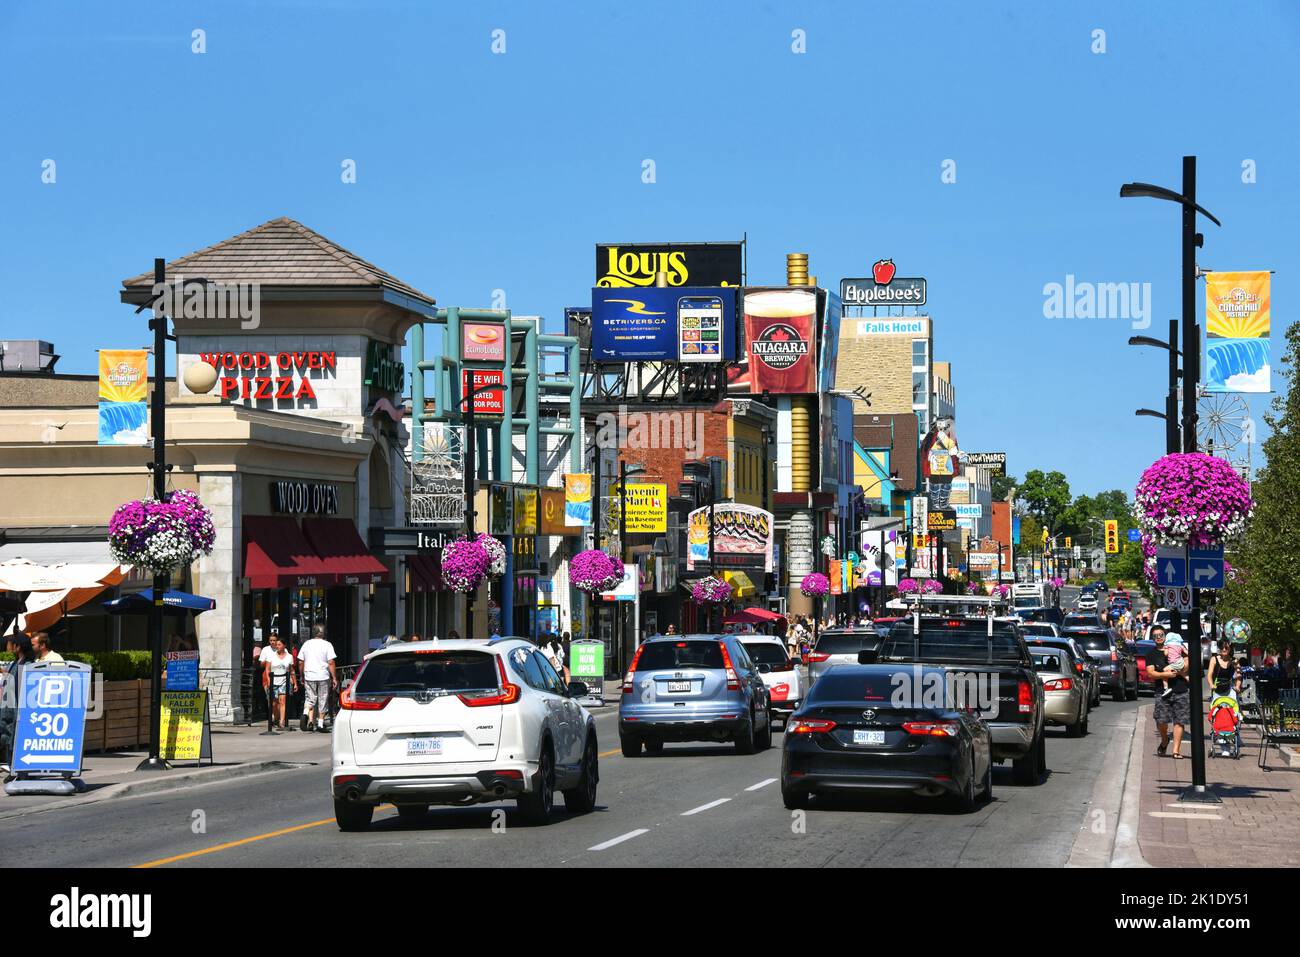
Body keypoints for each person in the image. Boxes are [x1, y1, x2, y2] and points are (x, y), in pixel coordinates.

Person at [1146, 626, 1191, 758]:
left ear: (1165, 635)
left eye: (1161, 634)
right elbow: (1150, 673)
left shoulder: (1177, 647)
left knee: (1179, 720)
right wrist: (1165, 674)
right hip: (1162, 691)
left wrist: (1179, 669)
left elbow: (1188, 660)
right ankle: (1165, 739)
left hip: (1181, 689)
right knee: (1161, 721)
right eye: (1155, 636)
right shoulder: (1151, 654)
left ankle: (1176, 750)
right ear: (1152, 638)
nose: (1159, 637)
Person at [0, 636, 36, 773]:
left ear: (18, 647)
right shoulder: (17, 663)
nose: (9, 647)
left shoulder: (26, 666)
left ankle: (16, 768)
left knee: (13, 738)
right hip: (8, 708)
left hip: (15, 710)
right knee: (8, 738)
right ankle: (12, 767)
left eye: (11, 644)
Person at [297, 624, 338, 733]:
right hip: (323, 676)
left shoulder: (306, 644)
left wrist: (301, 675)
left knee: (310, 698)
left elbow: (300, 661)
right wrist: (334, 677)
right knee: (322, 699)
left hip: (309, 675)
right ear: (323, 633)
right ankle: (320, 723)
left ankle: (306, 714)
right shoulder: (327, 645)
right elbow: (331, 662)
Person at [261, 635, 297, 731]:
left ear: (284, 646)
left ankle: (282, 721)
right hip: (273, 681)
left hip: (284, 681)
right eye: (277, 645)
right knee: (274, 703)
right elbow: (267, 669)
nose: (277, 646)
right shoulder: (271, 656)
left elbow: (291, 670)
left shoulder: (289, 657)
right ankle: (276, 719)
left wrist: (295, 682)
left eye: (279, 644)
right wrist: (269, 681)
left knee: (282, 701)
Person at [1159, 635, 1187, 699]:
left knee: (1165, 671)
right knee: (1182, 673)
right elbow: (1186, 652)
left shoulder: (1168, 646)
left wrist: (1166, 650)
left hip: (1174, 663)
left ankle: (1166, 688)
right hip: (1181, 662)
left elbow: (1165, 654)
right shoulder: (1180, 646)